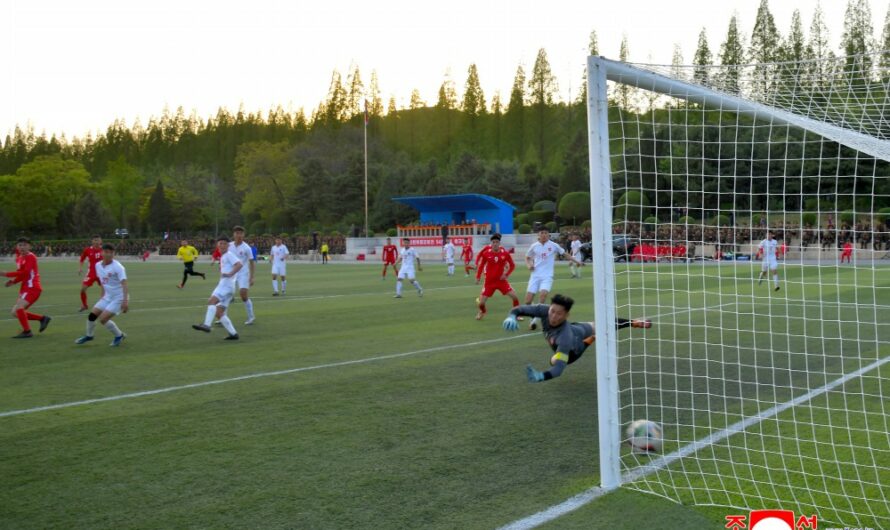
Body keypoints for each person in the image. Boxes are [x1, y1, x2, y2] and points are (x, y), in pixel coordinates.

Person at [502, 294, 650, 382]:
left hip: (575, 346)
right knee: (597, 325)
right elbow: (519, 309)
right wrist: (511, 316)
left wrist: (541, 376)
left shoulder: (564, 339)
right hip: (576, 328)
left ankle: (633, 323)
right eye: (552, 311)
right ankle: (593, 337)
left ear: (566, 315)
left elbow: (558, 370)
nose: (553, 316)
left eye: (558, 314)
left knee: (556, 360)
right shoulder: (544, 310)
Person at [524, 230, 582, 330]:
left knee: (543, 296)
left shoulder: (554, 245)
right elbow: (527, 257)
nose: (544, 235)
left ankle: (535, 321)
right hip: (535, 275)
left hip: (547, 276)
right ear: (538, 235)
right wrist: (529, 265)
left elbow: (565, 254)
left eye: (546, 233)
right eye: (542, 233)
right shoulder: (534, 246)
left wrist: (577, 261)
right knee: (528, 301)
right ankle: (533, 317)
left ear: (549, 235)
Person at [75, 244, 128, 347]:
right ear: (102, 253)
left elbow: (124, 284)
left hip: (119, 298)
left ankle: (119, 335)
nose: (109, 254)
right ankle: (89, 335)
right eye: (106, 252)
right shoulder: (98, 265)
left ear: (114, 254)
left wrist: (125, 301)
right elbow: (103, 281)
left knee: (103, 319)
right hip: (107, 297)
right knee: (92, 316)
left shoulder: (118, 267)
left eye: (111, 252)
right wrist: (103, 295)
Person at [192, 236, 242, 340]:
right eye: (220, 243)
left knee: (211, 301)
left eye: (224, 243)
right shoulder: (223, 256)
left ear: (228, 245)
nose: (222, 245)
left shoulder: (228, 255)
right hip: (229, 286)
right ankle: (233, 334)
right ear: (217, 245)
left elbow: (239, 264)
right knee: (219, 313)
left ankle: (206, 325)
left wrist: (230, 274)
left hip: (225, 285)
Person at [3, 237, 51, 338]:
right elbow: (22, 275)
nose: (22, 247)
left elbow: (26, 272)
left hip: (32, 287)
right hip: (25, 288)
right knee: (15, 312)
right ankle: (42, 319)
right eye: (20, 245)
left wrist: (6, 274)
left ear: (29, 246)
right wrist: (13, 281)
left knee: (19, 308)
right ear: (17, 247)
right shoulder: (20, 258)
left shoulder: (30, 256)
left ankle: (27, 331)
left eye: (25, 245)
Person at [474, 233, 520, 320]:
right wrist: (478, 277)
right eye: (493, 242)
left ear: (499, 243)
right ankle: (482, 311)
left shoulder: (505, 253)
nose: (495, 243)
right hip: (489, 282)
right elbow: (481, 266)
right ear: (491, 243)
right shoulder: (486, 253)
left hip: (501, 281)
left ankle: (516, 314)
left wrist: (506, 274)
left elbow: (512, 265)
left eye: (497, 242)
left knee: (515, 297)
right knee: (481, 303)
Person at [228, 226, 257, 325]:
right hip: (231, 272)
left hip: (243, 273)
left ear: (244, 235)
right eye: (237, 233)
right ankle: (221, 316)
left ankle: (251, 317)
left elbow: (252, 262)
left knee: (243, 294)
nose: (239, 235)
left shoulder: (247, 248)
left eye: (241, 233)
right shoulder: (229, 246)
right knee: (225, 294)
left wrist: (252, 277)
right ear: (234, 234)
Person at [78, 235, 104, 312]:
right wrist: (80, 268)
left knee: (105, 290)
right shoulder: (87, 250)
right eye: (95, 240)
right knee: (83, 289)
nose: (96, 242)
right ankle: (84, 305)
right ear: (92, 241)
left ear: (100, 241)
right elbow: (82, 259)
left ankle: (103, 306)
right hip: (91, 273)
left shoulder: (104, 249)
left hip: (102, 273)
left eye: (98, 240)